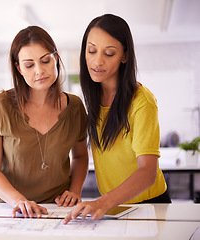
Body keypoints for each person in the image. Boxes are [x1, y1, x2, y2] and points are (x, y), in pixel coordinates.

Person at [64, 14, 171, 224]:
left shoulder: (142, 102)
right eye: (91, 50)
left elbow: (147, 172)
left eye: (109, 53)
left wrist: (102, 202)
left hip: (149, 205)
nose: (97, 61)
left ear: (124, 56)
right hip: (115, 206)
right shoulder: (94, 96)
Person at [0, 26, 89, 218]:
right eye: (29, 65)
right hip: (10, 209)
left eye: (45, 60)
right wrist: (18, 201)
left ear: (55, 58)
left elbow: (80, 157)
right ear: (18, 68)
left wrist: (75, 191)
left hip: (57, 209)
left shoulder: (75, 107)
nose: (39, 71)